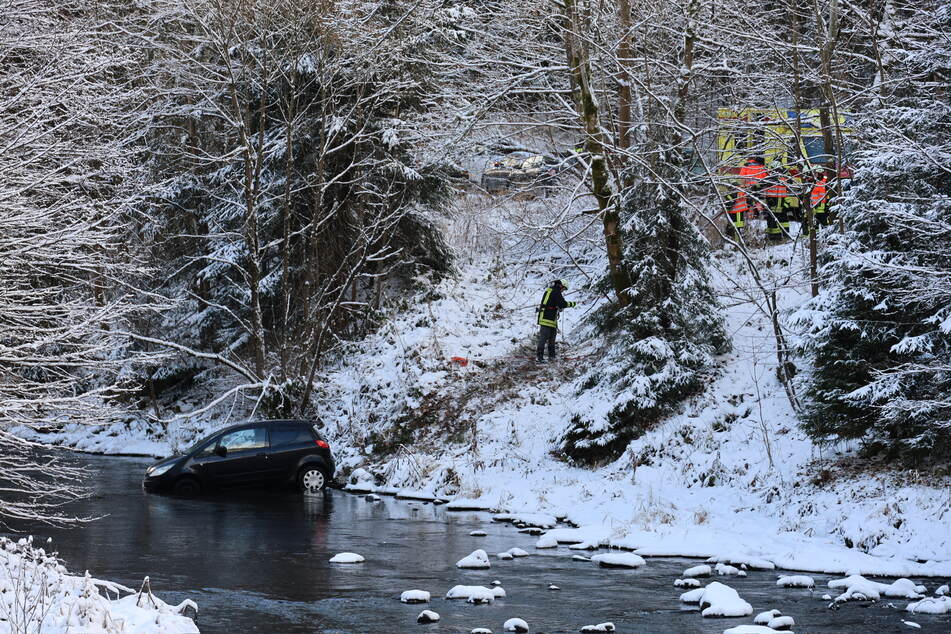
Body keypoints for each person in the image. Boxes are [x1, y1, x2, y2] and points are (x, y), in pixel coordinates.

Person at [536, 279, 576, 363]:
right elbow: (562, 303)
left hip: (550, 317)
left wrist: (557, 307)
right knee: (544, 337)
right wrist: (573, 304)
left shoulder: (551, 290)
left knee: (552, 336)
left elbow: (553, 303)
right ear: (561, 285)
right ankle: (539, 358)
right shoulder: (556, 292)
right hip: (547, 317)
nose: (563, 291)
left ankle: (552, 356)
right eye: (564, 289)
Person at [763, 163, 791, 243]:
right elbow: (763, 189)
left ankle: (784, 236)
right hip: (773, 204)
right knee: (772, 221)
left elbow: (787, 191)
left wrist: (786, 204)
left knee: (783, 221)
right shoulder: (768, 179)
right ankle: (774, 237)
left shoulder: (783, 179)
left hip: (781, 204)